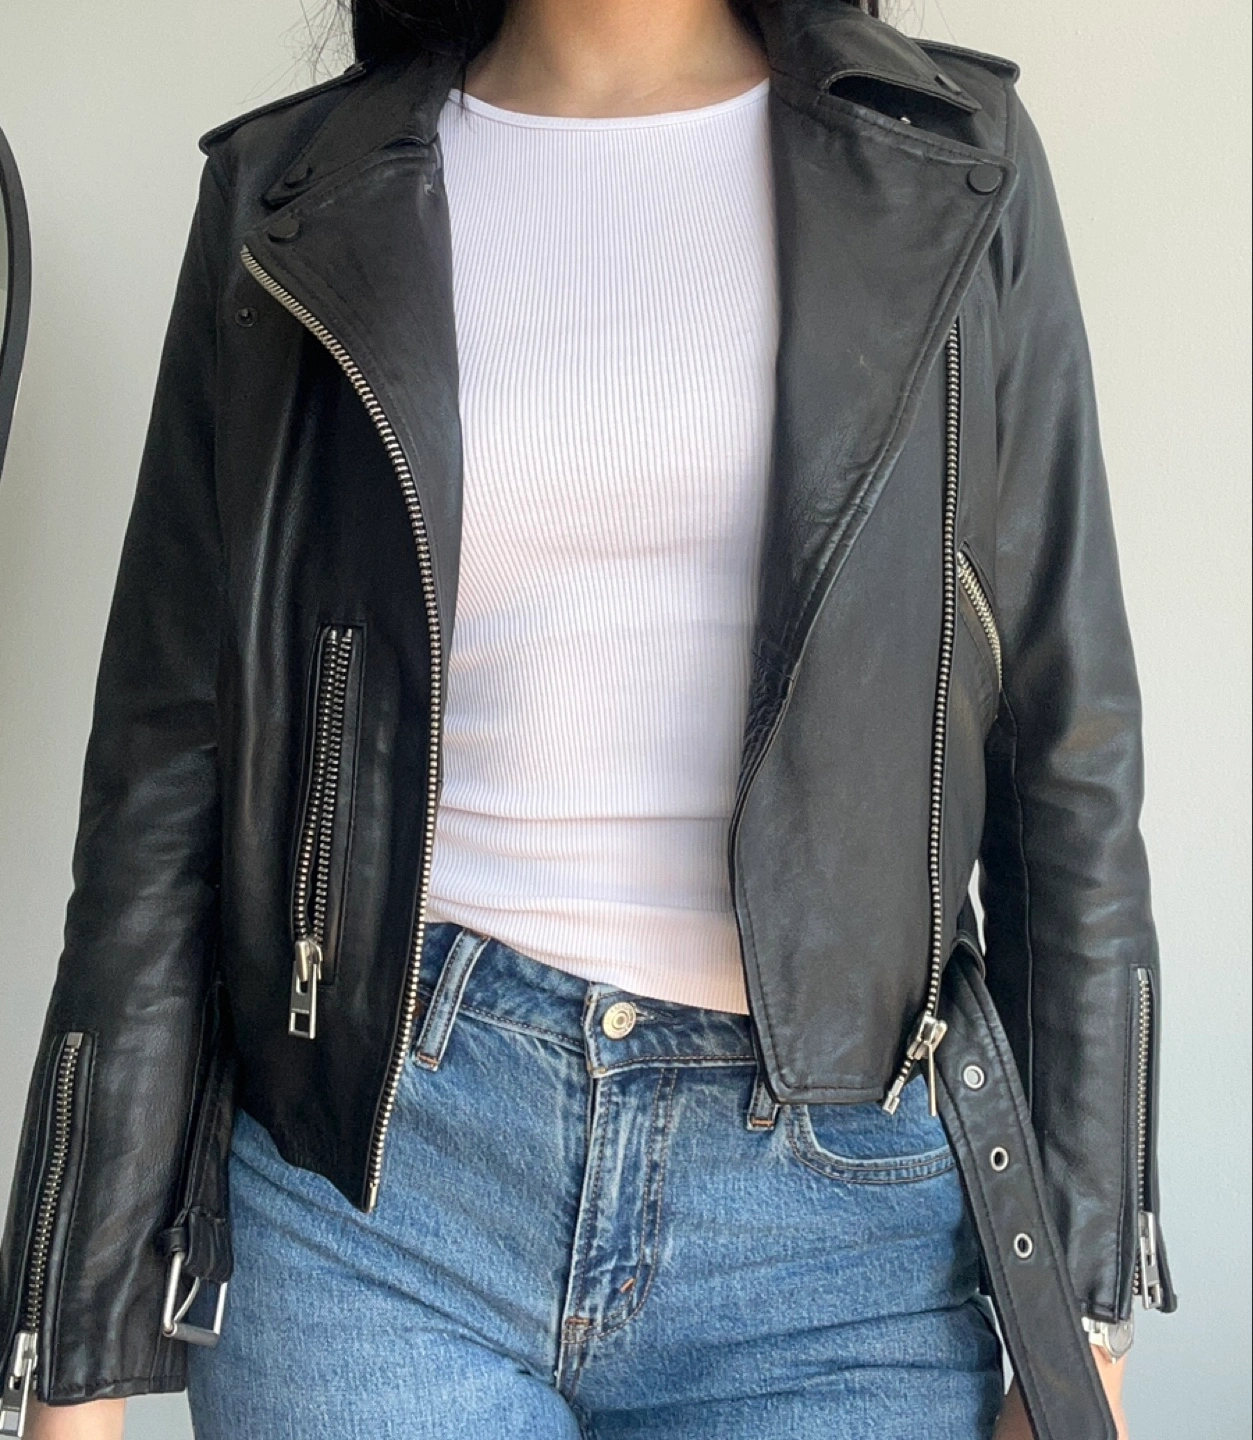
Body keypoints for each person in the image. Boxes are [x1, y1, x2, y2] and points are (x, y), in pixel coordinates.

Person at [1, 0, 1177, 1436]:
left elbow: (1068, 768)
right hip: (380, 1188)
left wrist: (1085, 1322)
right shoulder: (293, 193)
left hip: (842, 1239)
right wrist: (76, 1346)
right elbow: (162, 777)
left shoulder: (948, 158)